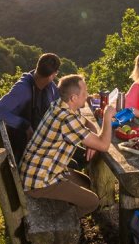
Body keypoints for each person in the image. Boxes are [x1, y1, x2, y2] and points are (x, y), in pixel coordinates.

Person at [19, 74, 116, 217]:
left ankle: (66, 211)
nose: (87, 95)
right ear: (74, 98)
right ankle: (60, 222)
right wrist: (107, 118)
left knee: (86, 182)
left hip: (39, 171)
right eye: (84, 93)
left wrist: (93, 142)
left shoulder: (60, 105)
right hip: (38, 182)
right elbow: (104, 145)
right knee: (92, 201)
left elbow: (87, 124)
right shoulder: (67, 119)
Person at [0, 53, 61, 164]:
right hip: (23, 151)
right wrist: (25, 125)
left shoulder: (50, 87)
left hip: (39, 145)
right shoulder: (23, 89)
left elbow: (61, 102)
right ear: (53, 75)